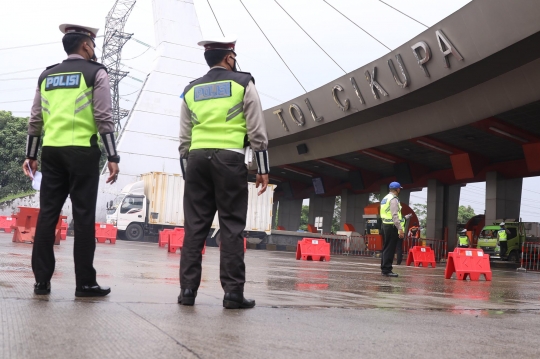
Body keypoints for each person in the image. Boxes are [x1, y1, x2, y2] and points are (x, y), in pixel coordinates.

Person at [22, 24, 120, 297]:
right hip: (81, 153)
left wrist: (31, 155)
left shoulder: (47, 75)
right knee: (84, 217)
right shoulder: (95, 72)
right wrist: (112, 155)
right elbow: (103, 117)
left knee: (47, 216)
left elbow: (35, 120)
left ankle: (41, 282)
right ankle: (85, 283)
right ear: (87, 46)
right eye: (93, 45)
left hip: (51, 152)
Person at [178, 37, 269, 309]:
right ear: (229, 58)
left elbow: (184, 136)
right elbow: (256, 129)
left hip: (196, 159)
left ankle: (187, 292)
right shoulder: (243, 83)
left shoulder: (191, 89)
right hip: (230, 159)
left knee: (194, 227)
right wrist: (263, 168)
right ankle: (232, 293)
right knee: (231, 226)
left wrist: (188, 172)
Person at [380, 182, 405, 277]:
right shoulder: (393, 199)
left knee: (386, 248)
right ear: (397, 189)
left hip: (385, 225)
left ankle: (384, 268)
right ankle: (387, 270)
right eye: (400, 189)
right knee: (390, 248)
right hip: (391, 226)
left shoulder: (385, 198)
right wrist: (400, 228)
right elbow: (395, 215)